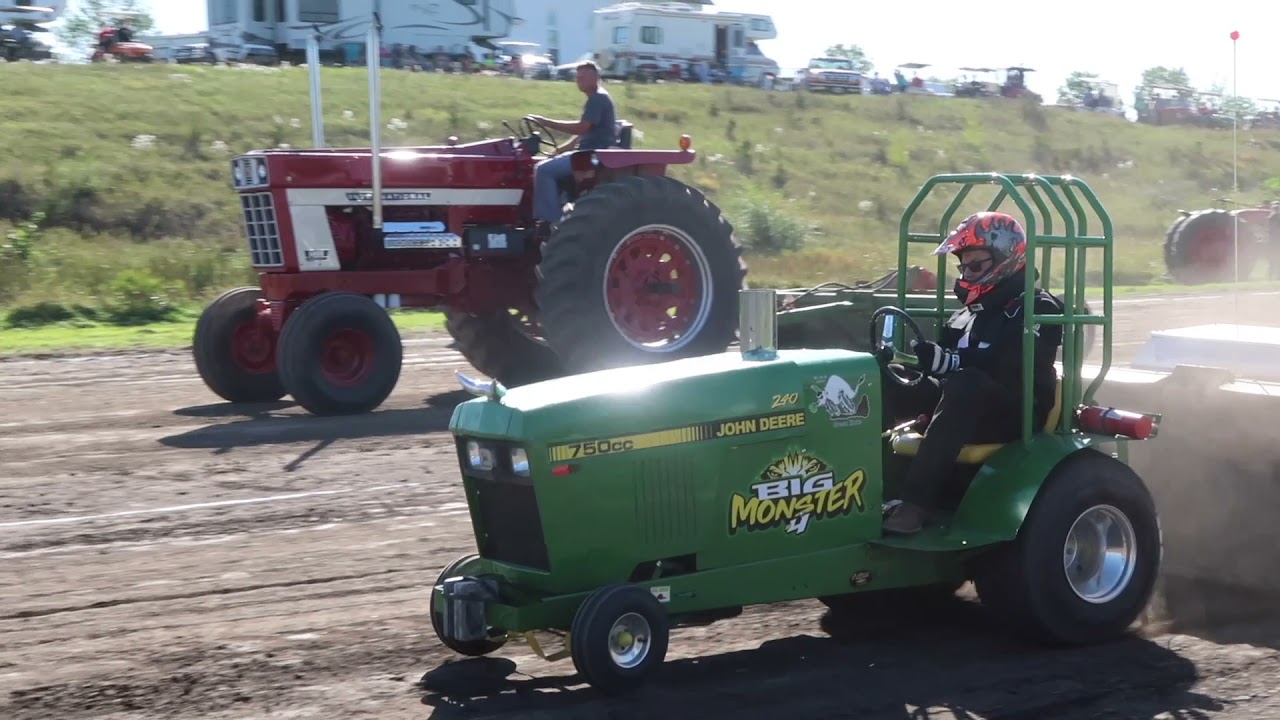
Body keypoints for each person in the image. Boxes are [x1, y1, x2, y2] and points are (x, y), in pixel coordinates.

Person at [881, 211, 1065, 535]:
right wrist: (922, 362)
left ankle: (914, 505)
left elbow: (1012, 363)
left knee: (966, 382)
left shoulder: (1039, 306)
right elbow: (946, 360)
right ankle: (864, 489)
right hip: (965, 402)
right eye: (962, 266)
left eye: (975, 265)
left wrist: (952, 362)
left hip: (1016, 410)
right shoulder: (967, 313)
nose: (966, 274)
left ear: (1006, 258)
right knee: (886, 376)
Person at [526, 61, 616, 234]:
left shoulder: (598, 98)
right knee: (545, 164)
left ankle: (550, 224)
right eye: (577, 77)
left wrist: (546, 122)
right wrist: (562, 149)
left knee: (543, 170)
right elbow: (585, 132)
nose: (579, 80)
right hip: (586, 152)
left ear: (596, 78)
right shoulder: (596, 98)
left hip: (591, 155)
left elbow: (582, 127)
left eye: (583, 77)